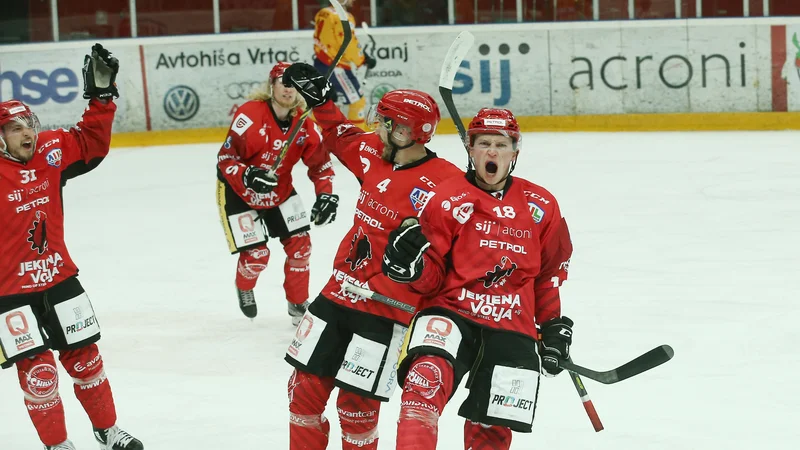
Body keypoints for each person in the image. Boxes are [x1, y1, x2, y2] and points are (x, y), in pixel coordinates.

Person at [280, 62, 463, 450]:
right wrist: (323, 101)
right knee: (304, 394)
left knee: (357, 409)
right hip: (337, 294)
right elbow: (337, 132)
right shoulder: (372, 153)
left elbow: (465, 251)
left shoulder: (448, 185)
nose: (375, 128)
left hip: (389, 309)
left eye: (385, 123)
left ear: (407, 131)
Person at [382, 108, 575, 449]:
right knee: (421, 389)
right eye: (484, 143)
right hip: (451, 314)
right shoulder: (445, 198)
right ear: (470, 150)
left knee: (491, 433)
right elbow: (431, 277)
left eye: (501, 144)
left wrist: (553, 327)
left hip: (512, 326)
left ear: (515, 152)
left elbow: (547, 277)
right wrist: (412, 268)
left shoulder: (542, 205)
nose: (492, 152)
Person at [0, 44, 143, 450]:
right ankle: (58, 444)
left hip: (59, 277)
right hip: (8, 294)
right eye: (14, 128)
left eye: (29, 124)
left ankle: (107, 429)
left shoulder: (49, 150)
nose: (27, 132)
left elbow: (91, 143)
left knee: (87, 360)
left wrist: (101, 98)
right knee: (39, 373)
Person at [216, 61, 338, 323]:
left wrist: (325, 195)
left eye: (294, 85)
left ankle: (297, 304)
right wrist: (248, 174)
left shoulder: (305, 125)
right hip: (240, 191)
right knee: (257, 256)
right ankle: (245, 287)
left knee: (301, 247)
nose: (288, 89)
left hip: (279, 192)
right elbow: (225, 159)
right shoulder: (248, 114)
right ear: (271, 85)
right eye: (283, 82)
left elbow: (321, 167)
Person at [313, 0, 376, 130]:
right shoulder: (343, 17)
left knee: (324, 103)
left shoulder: (323, 12)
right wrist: (362, 59)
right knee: (357, 101)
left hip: (320, 63)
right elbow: (349, 43)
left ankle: (311, 134)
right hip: (336, 67)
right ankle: (357, 138)